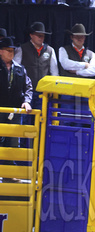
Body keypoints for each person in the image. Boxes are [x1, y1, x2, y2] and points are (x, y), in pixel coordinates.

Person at [0, 37, 33, 184]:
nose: (11, 53)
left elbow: (28, 87)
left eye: (12, 51)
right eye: (8, 51)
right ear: (1, 52)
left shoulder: (19, 69)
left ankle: (9, 173)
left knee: (13, 143)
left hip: (14, 111)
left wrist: (26, 101)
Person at [14, 22, 58, 112]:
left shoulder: (50, 50)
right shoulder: (22, 48)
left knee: (42, 116)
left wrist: (53, 89)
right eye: (39, 35)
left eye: (43, 36)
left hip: (43, 91)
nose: (41, 38)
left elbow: (54, 72)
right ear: (31, 35)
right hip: (26, 91)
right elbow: (16, 69)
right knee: (25, 116)